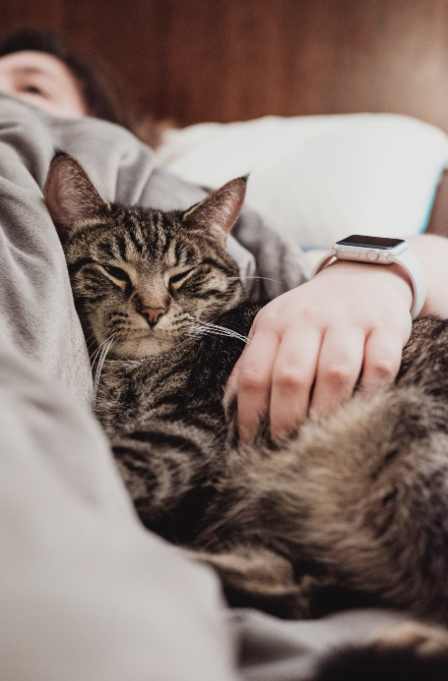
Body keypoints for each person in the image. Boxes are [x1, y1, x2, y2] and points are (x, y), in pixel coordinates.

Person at [0, 26, 446, 681]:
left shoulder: (242, 257)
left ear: (98, 116)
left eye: (30, 84)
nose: (153, 308)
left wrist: (379, 266)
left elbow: (426, 258)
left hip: (378, 430)